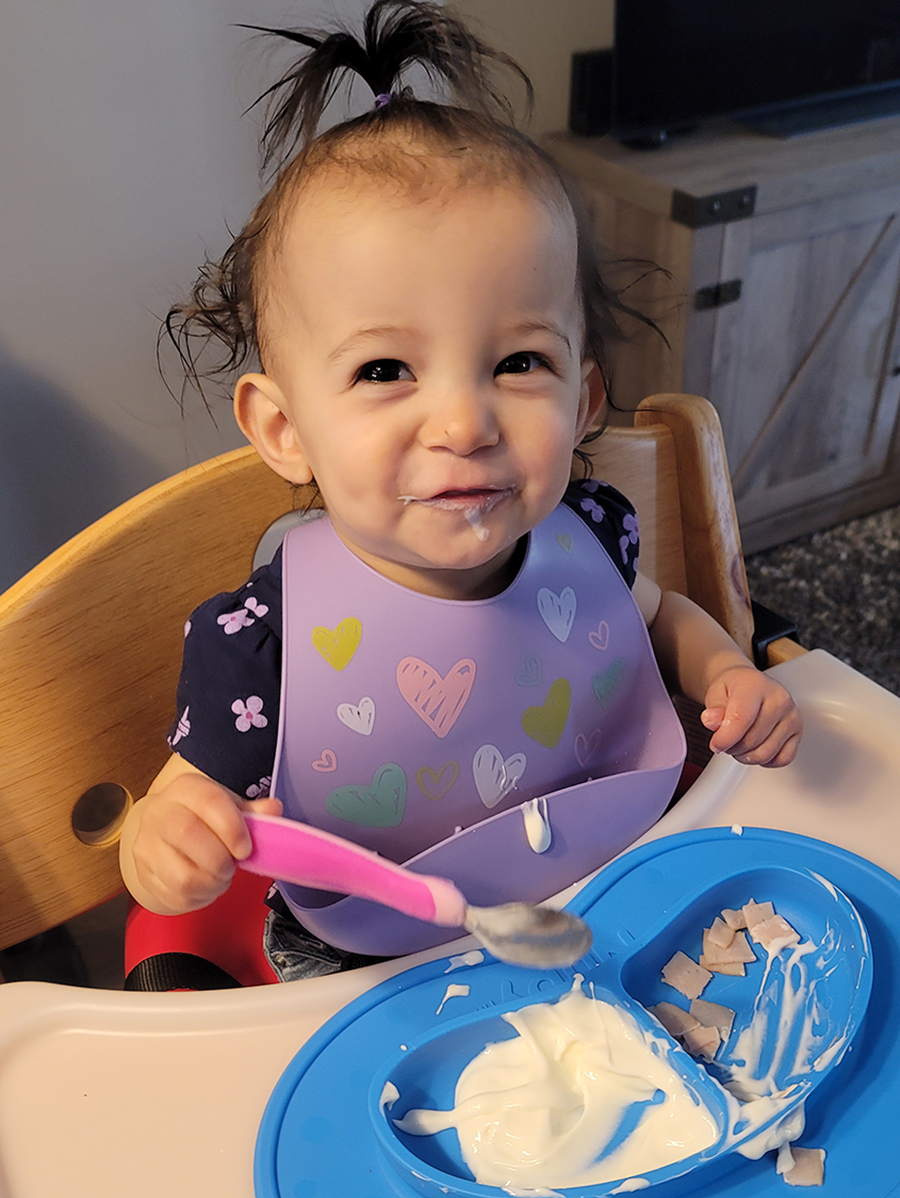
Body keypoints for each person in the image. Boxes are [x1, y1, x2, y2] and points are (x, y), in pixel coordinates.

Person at [119, 0, 802, 987]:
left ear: (583, 401)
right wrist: (165, 844)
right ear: (283, 427)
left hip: (609, 883)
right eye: (386, 371)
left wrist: (726, 671)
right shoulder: (261, 646)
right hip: (374, 959)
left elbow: (656, 622)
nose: (464, 422)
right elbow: (180, 811)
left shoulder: (590, 536)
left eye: (519, 360)